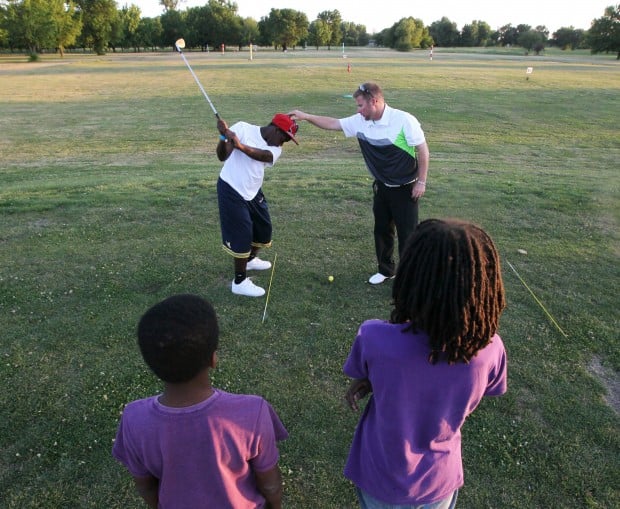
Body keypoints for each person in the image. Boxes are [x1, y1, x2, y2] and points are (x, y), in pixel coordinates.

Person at [343, 219, 508, 508]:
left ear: (410, 278)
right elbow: (486, 388)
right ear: (483, 285)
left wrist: (372, 380)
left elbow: (375, 366)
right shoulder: (490, 350)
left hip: (379, 478)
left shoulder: (373, 336)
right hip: (438, 483)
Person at [112, 294, 289, 508]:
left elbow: (145, 486)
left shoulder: (133, 418)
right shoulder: (253, 411)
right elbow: (270, 485)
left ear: (152, 366)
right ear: (213, 359)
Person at [289, 82, 429, 285]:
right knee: (382, 229)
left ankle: (411, 278)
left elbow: (423, 151)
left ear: (375, 101)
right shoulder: (361, 121)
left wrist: (422, 182)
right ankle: (386, 270)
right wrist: (307, 116)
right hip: (381, 186)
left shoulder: (403, 120)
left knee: (407, 234)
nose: (358, 110)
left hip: (405, 188)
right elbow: (333, 123)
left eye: (360, 105)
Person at [216, 113, 299, 297]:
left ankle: (251, 259)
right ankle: (239, 281)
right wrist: (223, 137)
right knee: (242, 234)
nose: (283, 142)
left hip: (253, 190)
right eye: (284, 137)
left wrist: (240, 145)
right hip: (231, 188)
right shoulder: (243, 128)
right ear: (275, 129)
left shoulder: (275, 149)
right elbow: (222, 156)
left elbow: (262, 155)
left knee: (263, 230)